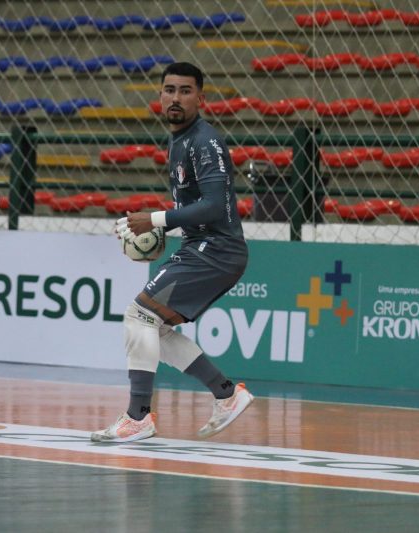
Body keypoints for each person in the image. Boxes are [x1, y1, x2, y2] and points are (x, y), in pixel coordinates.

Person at [91, 62, 253, 443]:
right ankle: (226, 395)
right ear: (160, 96)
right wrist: (161, 227)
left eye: (184, 91)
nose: (175, 98)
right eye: (169, 90)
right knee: (154, 328)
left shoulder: (204, 141)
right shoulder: (180, 140)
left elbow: (215, 205)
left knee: (139, 316)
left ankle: (138, 418)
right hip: (203, 247)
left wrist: (157, 220)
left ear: (201, 98)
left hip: (217, 250)